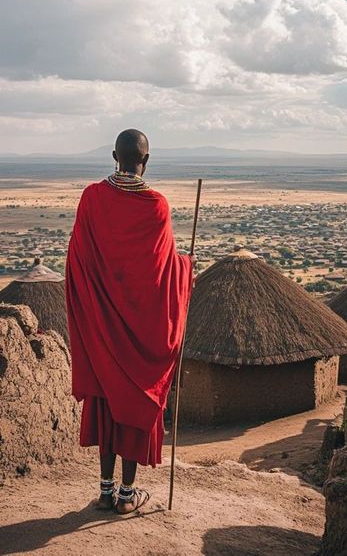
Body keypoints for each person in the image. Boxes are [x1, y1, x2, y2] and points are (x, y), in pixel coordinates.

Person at [66, 129, 194, 514]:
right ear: (147, 160)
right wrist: (187, 269)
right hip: (140, 335)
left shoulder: (92, 197)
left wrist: (93, 315)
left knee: (107, 404)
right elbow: (162, 274)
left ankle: (105, 492)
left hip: (102, 331)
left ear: (113, 156)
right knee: (135, 406)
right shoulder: (156, 205)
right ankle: (125, 495)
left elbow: (77, 261)